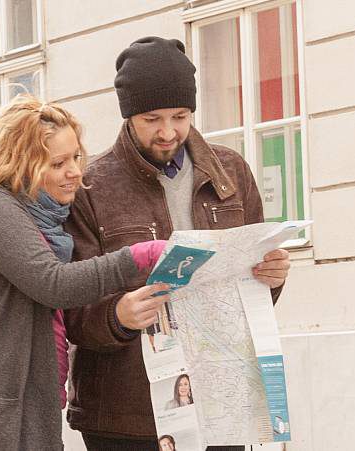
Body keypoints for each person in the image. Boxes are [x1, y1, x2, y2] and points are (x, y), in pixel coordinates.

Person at [66, 36, 294, 451]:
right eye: (152, 118)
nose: (168, 131)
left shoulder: (232, 172)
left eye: (180, 115)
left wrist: (273, 276)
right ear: (129, 115)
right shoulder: (89, 187)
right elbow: (70, 306)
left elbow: (252, 284)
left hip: (219, 401)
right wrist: (117, 315)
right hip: (125, 414)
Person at [0, 95, 178, 451]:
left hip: (16, 412)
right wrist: (142, 255)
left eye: (75, 158)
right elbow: (54, 284)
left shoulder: (44, 222)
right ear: (20, 165)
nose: (74, 171)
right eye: (57, 163)